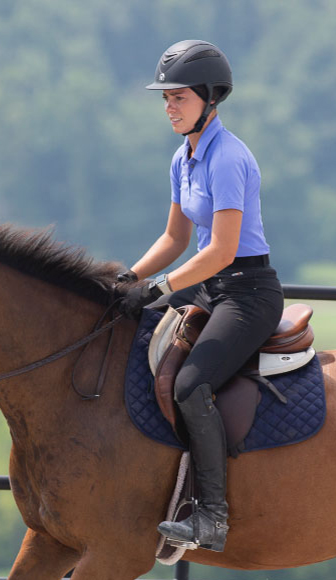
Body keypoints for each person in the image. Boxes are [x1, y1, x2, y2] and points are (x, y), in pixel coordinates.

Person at [117, 40, 284, 552]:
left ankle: (211, 516)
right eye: (165, 98)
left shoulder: (229, 158)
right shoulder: (182, 156)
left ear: (210, 99)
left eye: (179, 97)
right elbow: (175, 239)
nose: (168, 106)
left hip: (248, 295)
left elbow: (222, 251)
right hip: (213, 289)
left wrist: (159, 287)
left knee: (191, 385)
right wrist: (126, 280)